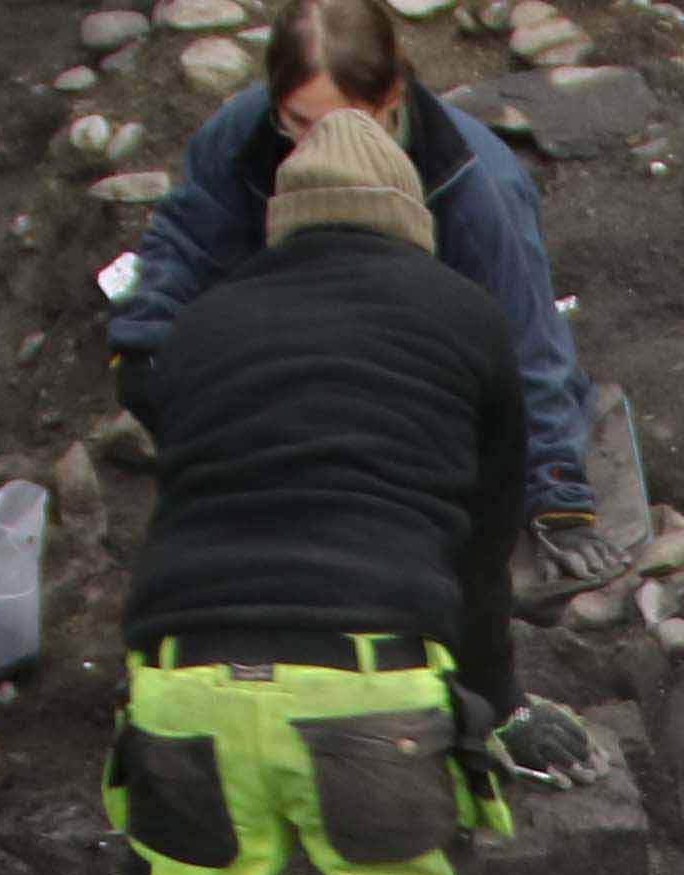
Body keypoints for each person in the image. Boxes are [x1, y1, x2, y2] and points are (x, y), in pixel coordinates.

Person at [90, 102, 539, 875]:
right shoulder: (460, 314)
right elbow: (483, 542)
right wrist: (492, 695)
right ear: (408, 218)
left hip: (180, 677)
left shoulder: (203, 322)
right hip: (366, 676)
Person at [111, 0, 604, 574]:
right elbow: (188, 238)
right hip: (283, 345)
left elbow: (530, 345)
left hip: (411, 383)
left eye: (348, 123)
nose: (317, 148)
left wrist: (558, 496)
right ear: (273, 100)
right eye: (298, 124)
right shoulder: (242, 134)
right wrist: (146, 339)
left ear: (392, 98)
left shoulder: (478, 186)